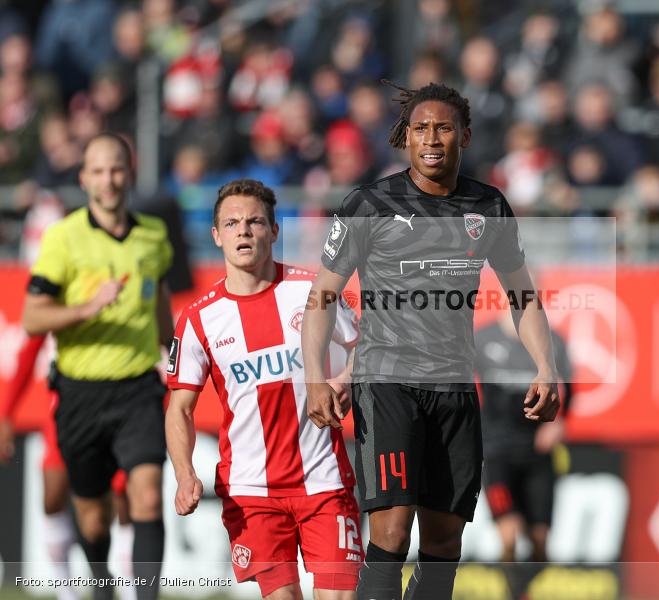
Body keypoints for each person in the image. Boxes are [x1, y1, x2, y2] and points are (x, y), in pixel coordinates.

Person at [301, 81, 562, 600]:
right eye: (421, 128)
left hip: (455, 390)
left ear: (464, 133)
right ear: (405, 137)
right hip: (386, 384)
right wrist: (315, 377)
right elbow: (322, 297)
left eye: (444, 127)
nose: (432, 138)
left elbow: (522, 296)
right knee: (393, 531)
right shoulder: (369, 203)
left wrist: (546, 367)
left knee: (444, 541)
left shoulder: (487, 205)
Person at [165, 179, 362, 600]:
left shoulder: (313, 290)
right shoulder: (199, 318)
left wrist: (345, 382)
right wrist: (184, 475)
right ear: (216, 235)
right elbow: (178, 408)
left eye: (255, 221)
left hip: (323, 480)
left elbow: (367, 346)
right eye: (232, 223)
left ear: (274, 231)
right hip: (251, 492)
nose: (244, 231)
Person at [20, 132, 173, 600]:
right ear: (84, 178)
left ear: (129, 173)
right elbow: (31, 318)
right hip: (81, 392)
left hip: (139, 388)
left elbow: (161, 301)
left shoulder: (153, 235)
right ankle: (102, 589)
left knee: (147, 496)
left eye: (117, 169)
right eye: (99, 171)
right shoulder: (62, 238)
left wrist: (176, 355)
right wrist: (85, 309)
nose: (109, 180)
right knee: (92, 514)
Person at [0, 334, 136, 600]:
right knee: (53, 496)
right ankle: (67, 590)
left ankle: (131, 588)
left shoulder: (119, 298)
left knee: (122, 498)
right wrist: (7, 415)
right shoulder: (60, 297)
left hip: (118, 407)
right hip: (68, 409)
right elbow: (29, 351)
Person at [474, 312, 572, 599]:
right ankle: (514, 593)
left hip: (537, 453)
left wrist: (562, 422)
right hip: (497, 452)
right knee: (509, 535)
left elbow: (570, 387)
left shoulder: (553, 341)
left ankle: (519, 588)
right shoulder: (483, 337)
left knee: (540, 547)